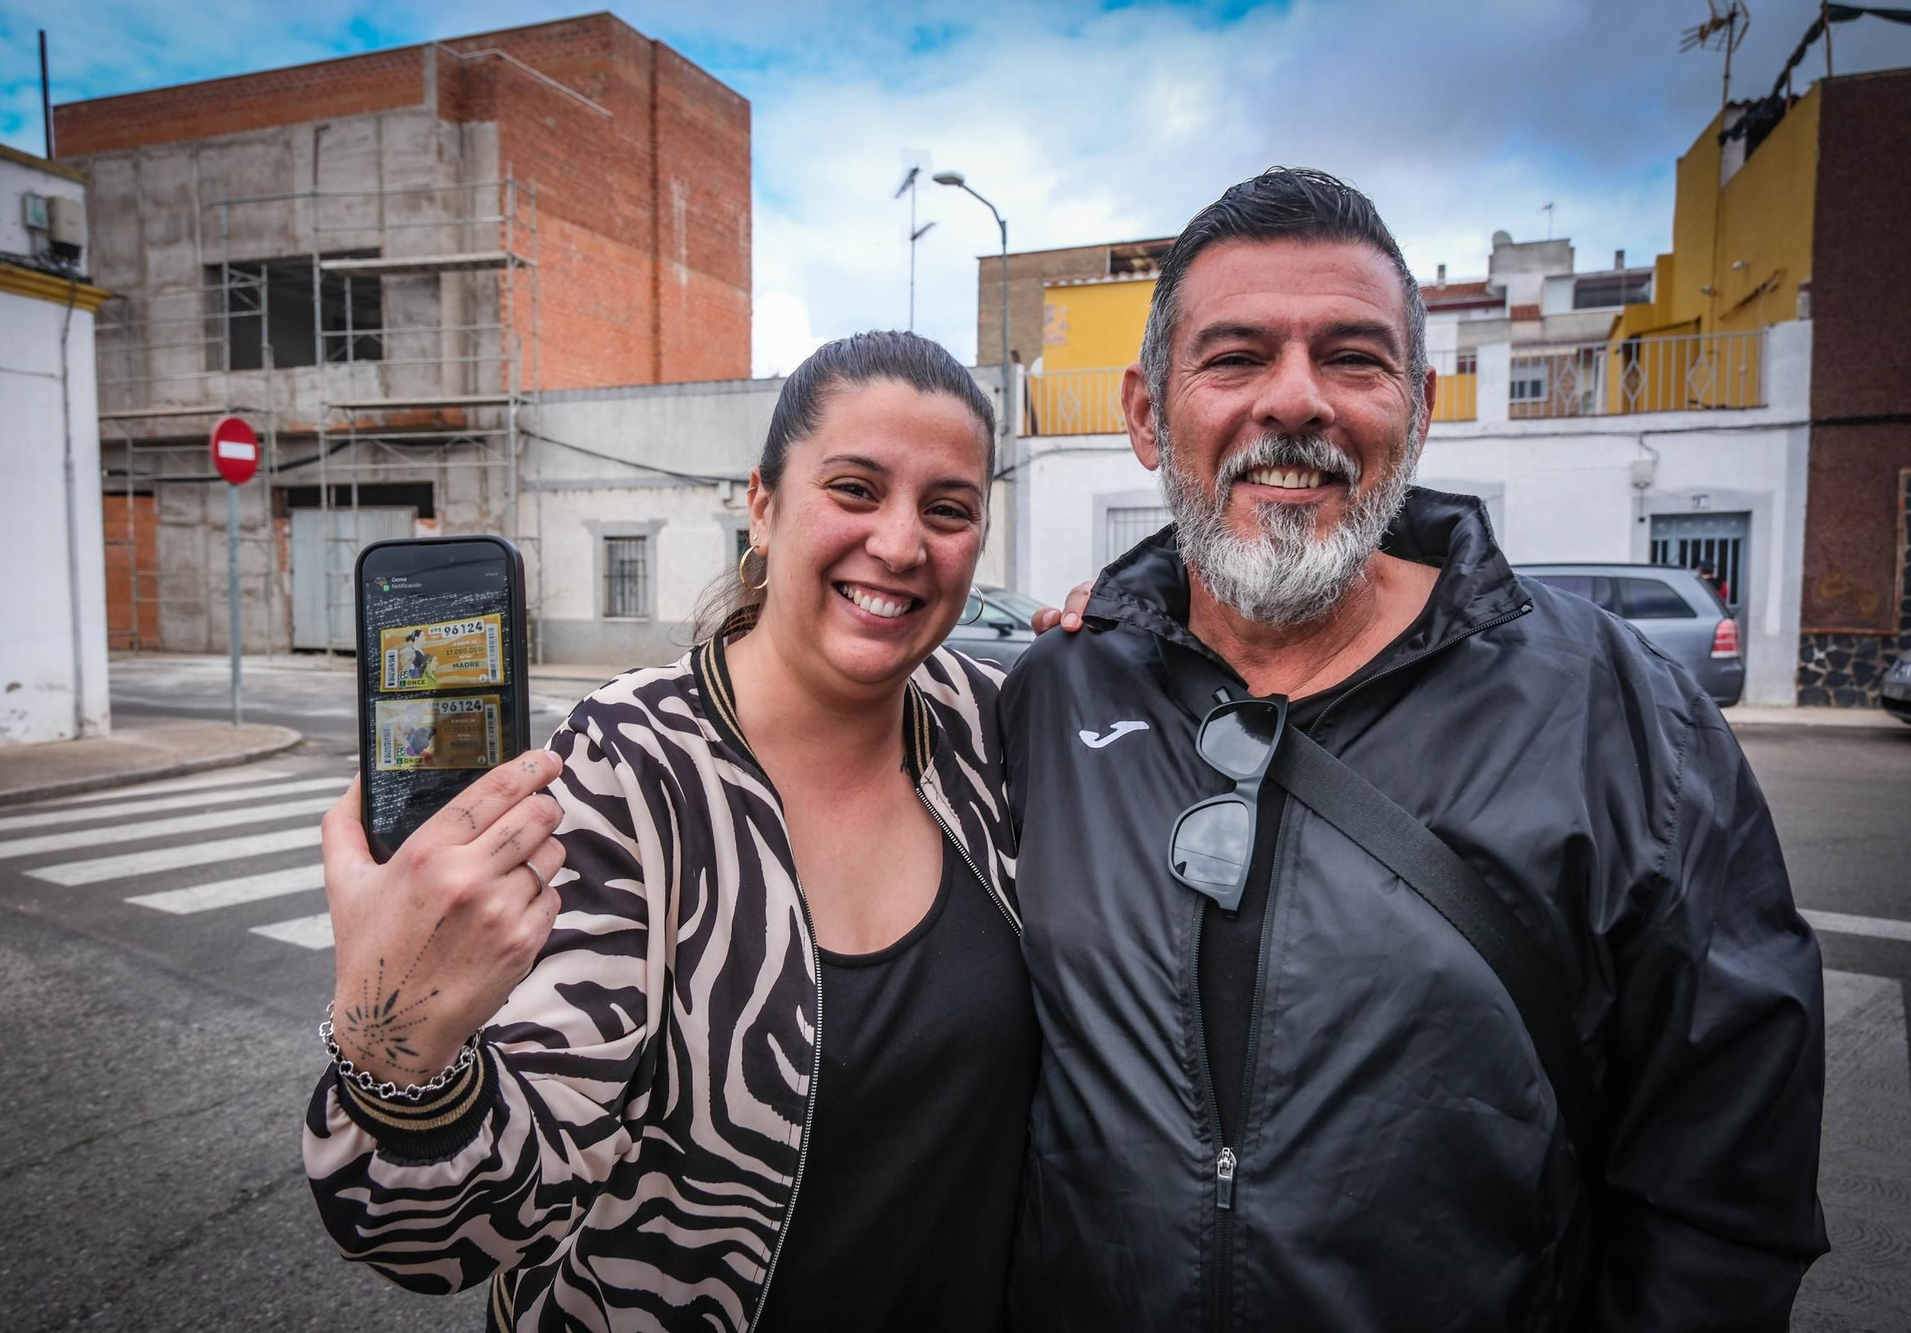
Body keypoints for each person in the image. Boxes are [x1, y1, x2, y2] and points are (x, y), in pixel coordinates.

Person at [1003, 168, 1828, 1330]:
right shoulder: (1047, 698)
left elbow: (1722, 1192)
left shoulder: (1624, 719)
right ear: (1146, 414)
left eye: (1351, 358)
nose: (1294, 402)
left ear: (1421, 407)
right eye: (1234, 358)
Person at [303, 330, 1036, 1331]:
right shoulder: (630, 761)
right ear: (764, 506)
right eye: (856, 489)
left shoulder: (992, 727)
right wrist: (393, 1042)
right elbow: (446, 1229)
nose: (902, 544)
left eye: (947, 509)